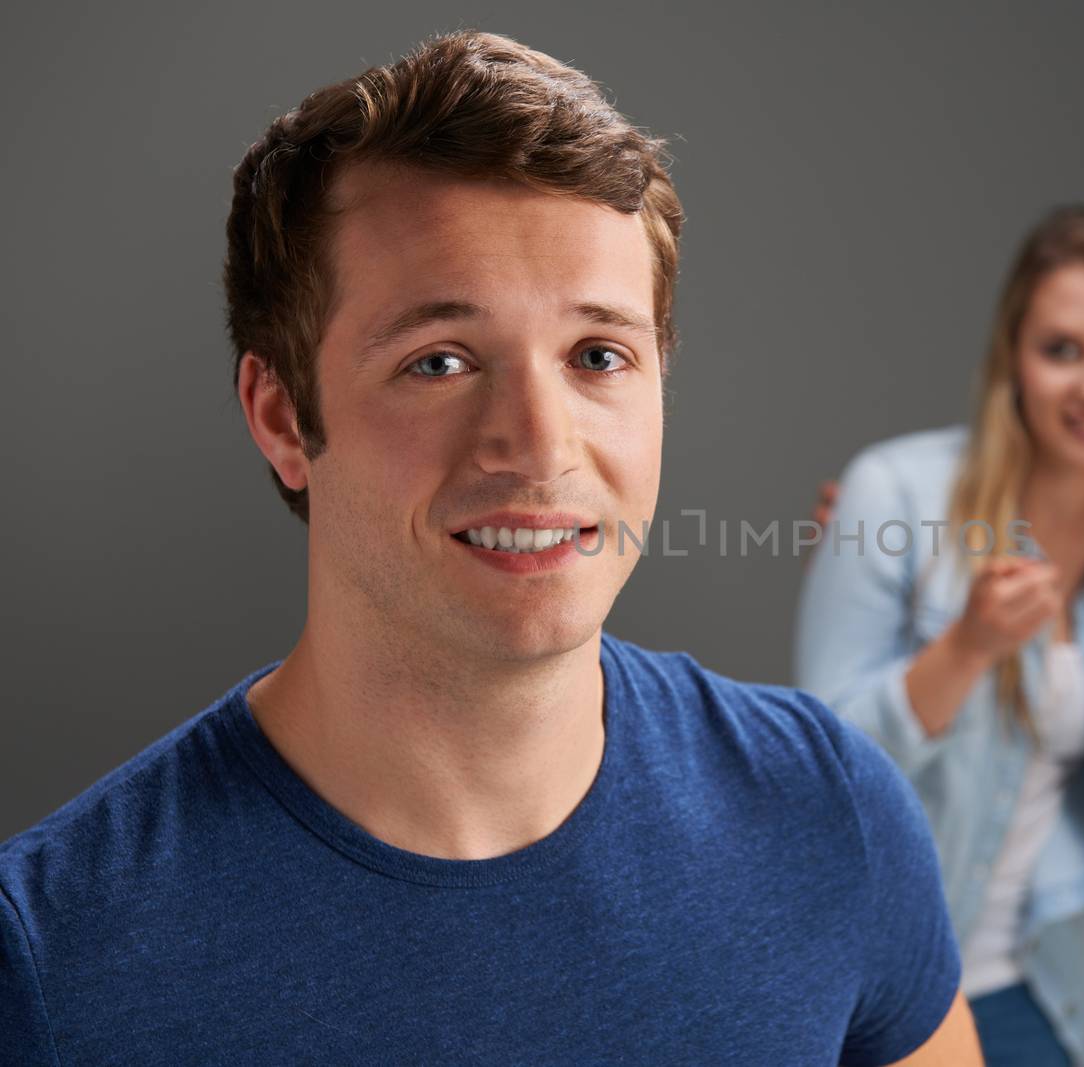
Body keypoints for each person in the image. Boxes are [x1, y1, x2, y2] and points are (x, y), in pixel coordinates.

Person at [0, 32, 981, 1066]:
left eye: (598, 354)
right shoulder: (52, 960)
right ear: (283, 416)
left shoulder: (830, 812)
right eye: (441, 361)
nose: (541, 443)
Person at [796, 206, 1084, 1066]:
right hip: (872, 990)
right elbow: (817, 774)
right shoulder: (895, 493)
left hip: (1042, 993)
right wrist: (966, 649)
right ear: (1013, 362)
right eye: (1063, 349)